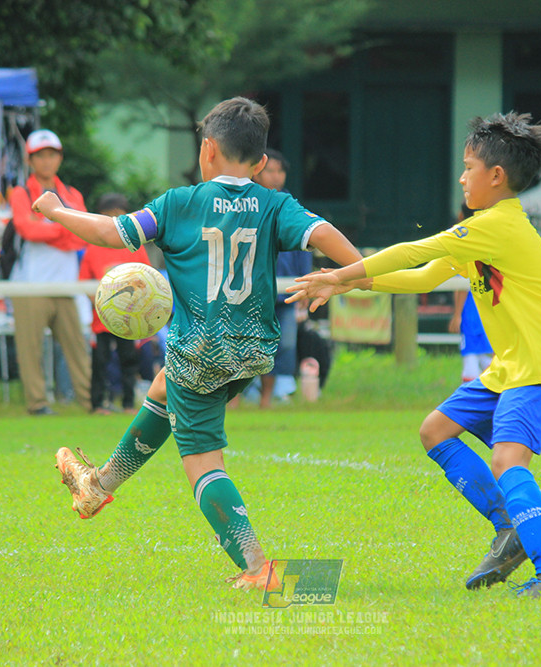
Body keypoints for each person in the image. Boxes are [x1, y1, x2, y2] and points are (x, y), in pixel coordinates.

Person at [33, 97, 363, 590]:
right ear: (259, 163)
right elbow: (326, 235)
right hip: (253, 351)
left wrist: (58, 210)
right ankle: (98, 485)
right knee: (165, 389)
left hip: (201, 351)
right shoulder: (275, 204)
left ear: (207, 150)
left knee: (203, 462)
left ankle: (257, 569)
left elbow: (110, 231)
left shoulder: (180, 203)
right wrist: (348, 276)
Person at [288, 111, 541, 598]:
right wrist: (349, 284)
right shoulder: (485, 228)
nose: (462, 176)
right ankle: (509, 527)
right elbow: (424, 276)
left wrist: (341, 274)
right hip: (512, 365)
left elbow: (414, 251)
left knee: (509, 460)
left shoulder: (498, 226)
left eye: (469, 166)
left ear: (497, 176)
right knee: (435, 430)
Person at [7, 129, 92, 416]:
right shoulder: (20, 192)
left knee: (78, 347)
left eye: (51, 155)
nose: (46, 161)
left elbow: (84, 234)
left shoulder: (72, 194)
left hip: (66, 284)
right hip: (30, 285)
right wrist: (64, 228)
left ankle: (89, 401)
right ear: (30, 160)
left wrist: (48, 228)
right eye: (40, 156)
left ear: (59, 158)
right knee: (30, 350)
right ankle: (37, 404)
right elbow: (27, 229)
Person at [79, 193, 152, 415]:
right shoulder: (93, 249)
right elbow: (85, 283)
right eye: (108, 216)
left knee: (129, 360)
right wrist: (102, 304)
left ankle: (128, 404)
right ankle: (98, 404)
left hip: (128, 320)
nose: (113, 220)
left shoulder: (134, 247)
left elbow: (147, 278)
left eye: (119, 215)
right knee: (100, 362)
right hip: (101, 321)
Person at [254, 148, 312, 407]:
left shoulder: (291, 206)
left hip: (288, 290)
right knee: (247, 344)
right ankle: (234, 399)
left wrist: (306, 283)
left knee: (284, 344)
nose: (276, 176)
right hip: (253, 290)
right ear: (256, 171)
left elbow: (305, 246)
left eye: (280, 171)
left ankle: (267, 398)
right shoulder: (249, 204)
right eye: (270, 170)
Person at [448, 204, 492, 383]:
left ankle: (471, 404)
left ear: (460, 215)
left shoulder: (464, 241)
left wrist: (457, 315)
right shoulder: (487, 239)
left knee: (471, 357)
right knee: (484, 354)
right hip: (489, 306)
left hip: (472, 310)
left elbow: (461, 284)